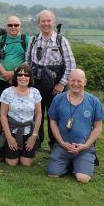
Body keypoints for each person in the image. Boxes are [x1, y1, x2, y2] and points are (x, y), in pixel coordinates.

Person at [26, 9, 76, 149]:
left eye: (49, 21)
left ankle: (56, 145)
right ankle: (36, 143)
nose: (46, 24)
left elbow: (71, 65)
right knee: (37, 114)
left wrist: (61, 84)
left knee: (56, 116)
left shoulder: (61, 41)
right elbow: (28, 62)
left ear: (53, 22)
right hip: (37, 84)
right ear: (39, 23)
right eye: (43, 21)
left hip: (56, 85)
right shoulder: (34, 40)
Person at [47, 69, 104, 183]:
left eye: (79, 81)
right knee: (53, 174)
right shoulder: (58, 99)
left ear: (85, 82)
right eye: (73, 80)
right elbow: (53, 121)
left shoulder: (94, 101)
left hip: (84, 148)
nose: (75, 84)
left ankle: (80, 162)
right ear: (68, 81)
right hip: (62, 146)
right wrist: (61, 143)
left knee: (83, 179)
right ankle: (70, 163)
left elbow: (98, 127)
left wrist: (86, 145)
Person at [0, 64, 42, 167]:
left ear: (30, 78)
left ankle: (26, 150)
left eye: (26, 75)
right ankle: (7, 148)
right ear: (16, 76)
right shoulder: (7, 92)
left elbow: (39, 114)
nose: (23, 77)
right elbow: (3, 115)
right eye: (20, 74)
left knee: (26, 163)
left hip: (29, 131)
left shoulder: (35, 92)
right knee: (12, 163)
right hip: (12, 130)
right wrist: (9, 137)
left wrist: (34, 136)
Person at [0, 16, 28, 98]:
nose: (13, 27)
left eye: (16, 25)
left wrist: (13, 73)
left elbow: (29, 61)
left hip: (19, 79)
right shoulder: (1, 39)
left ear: (20, 26)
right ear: (6, 26)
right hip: (0, 79)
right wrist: (4, 74)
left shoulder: (26, 40)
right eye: (10, 25)